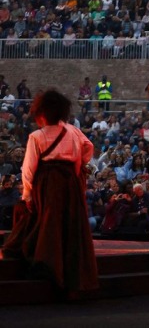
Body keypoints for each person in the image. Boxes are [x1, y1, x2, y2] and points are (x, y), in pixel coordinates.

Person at [2, 89, 98, 294]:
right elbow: (88, 147)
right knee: (70, 222)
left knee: (48, 222)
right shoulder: (73, 131)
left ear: (42, 113)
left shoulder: (37, 136)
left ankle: (49, 266)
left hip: (47, 181)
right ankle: (71, 272)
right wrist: (78, 166)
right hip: (69, 180)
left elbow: (28, 168)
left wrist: (27, 194)